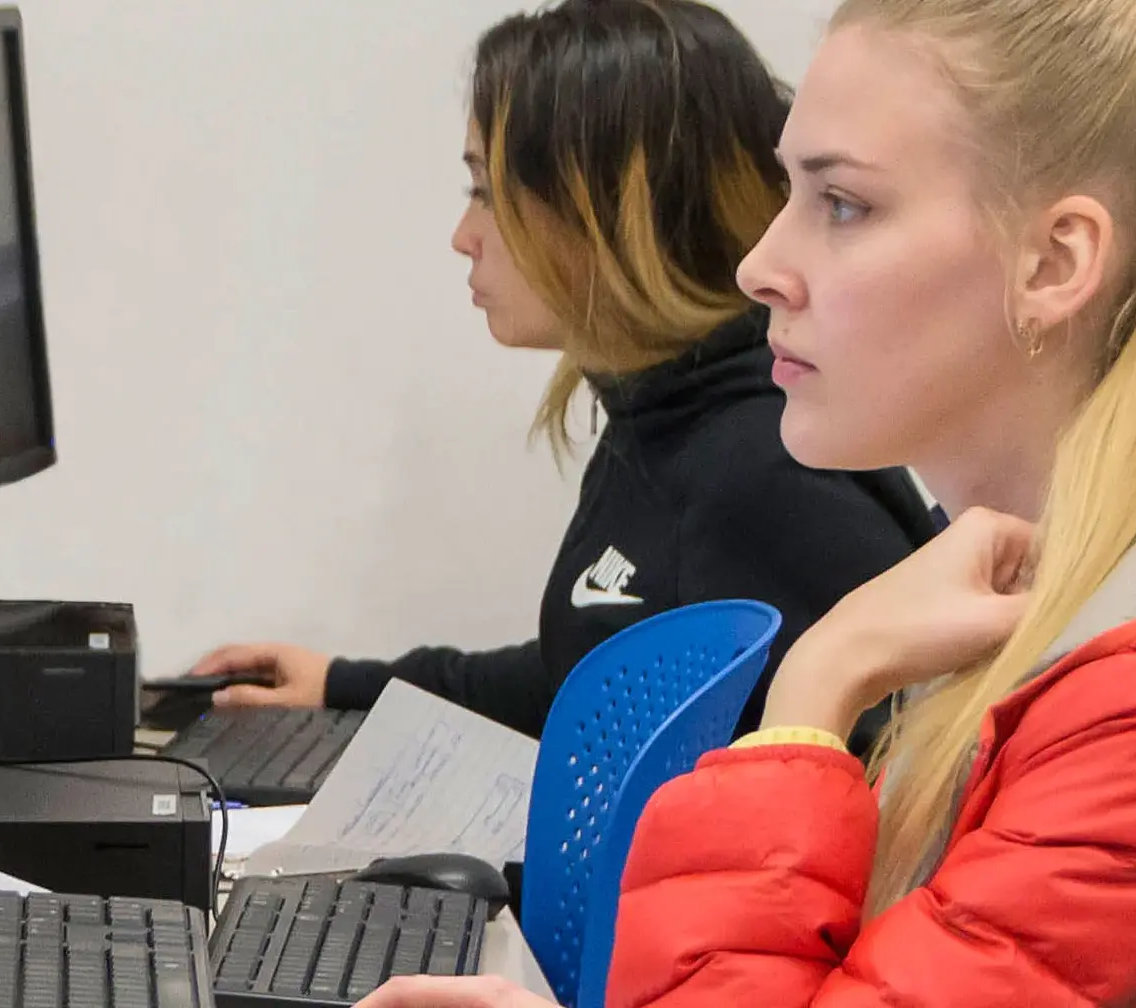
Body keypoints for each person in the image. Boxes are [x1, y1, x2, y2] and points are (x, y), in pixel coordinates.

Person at [362, 0, 1136, 1005]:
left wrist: (816, 687)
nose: (760, 266)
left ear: (1053, 264)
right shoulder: (1042, 596)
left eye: (842, 205)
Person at [187, 0, 938, 741]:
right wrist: (343, 683)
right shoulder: (667, 412)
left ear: (603, 208)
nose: (462, 235)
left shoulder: (761, 473)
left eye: (485, 191)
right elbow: (589, 673)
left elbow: (884, 798)